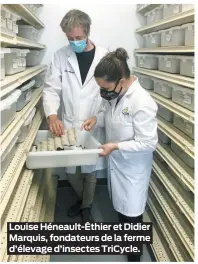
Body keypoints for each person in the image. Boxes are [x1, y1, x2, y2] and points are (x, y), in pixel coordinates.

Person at [82, 48, 158, 261]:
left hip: (133, 169)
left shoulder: (141, 102)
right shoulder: (115, 94)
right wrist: (97, 118)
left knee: (132, 216)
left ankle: (134, 257)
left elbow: (148, 142)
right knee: (122, 212)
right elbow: (109, 114)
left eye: (105, 88)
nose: (103, 93)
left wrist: (115, 146)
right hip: (118, 166)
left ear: (122, 81)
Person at [42, 9, 107, 222]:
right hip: (69, 121)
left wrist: (99, 116)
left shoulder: (104, 56)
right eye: (70, 38)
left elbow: (109, 93)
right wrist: (52, 115)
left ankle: (86, 206)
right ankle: (82, 200)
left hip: (92, 121)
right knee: (70, 169)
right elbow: (51, 88)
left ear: (87, 33)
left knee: (90, 168)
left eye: (78, 38)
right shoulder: (61, 56)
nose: (74, 42)